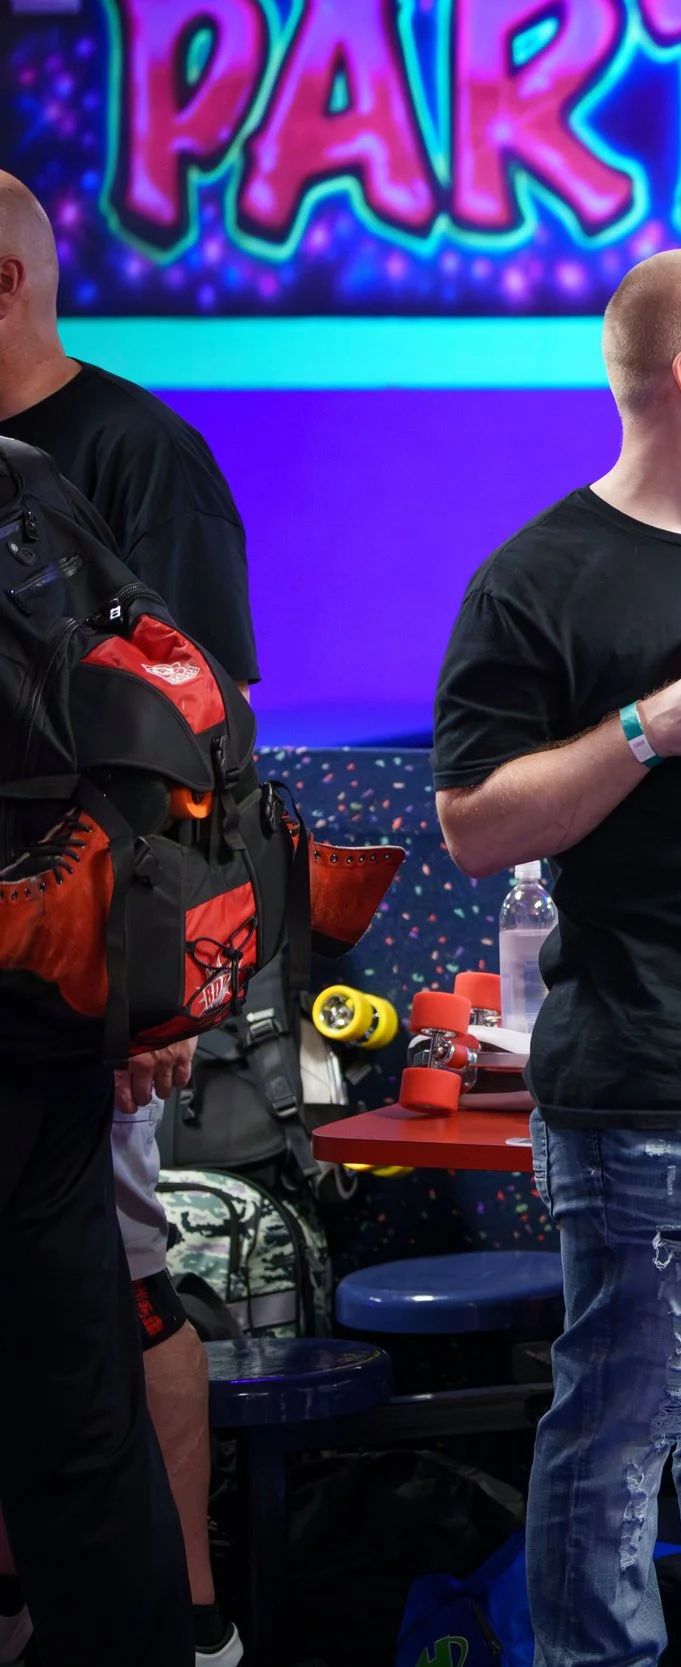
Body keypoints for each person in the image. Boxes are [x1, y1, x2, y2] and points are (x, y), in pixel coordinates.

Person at [432, 248, 681, 1666]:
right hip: (644, 1084)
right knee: (619, 1444)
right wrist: (642, 731)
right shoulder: (535, 580)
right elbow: (475, 827)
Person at [0, 170, 240, 1667]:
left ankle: (191, 1624)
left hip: (73, 1004)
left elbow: (192, 747)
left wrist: (153, 995)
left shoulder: (123, 455)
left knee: (114, 1304)